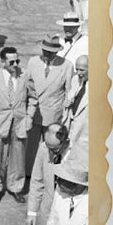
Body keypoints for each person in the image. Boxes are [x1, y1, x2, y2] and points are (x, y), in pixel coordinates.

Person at [0, 47, 29, 207]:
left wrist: (28, 117)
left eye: (18, 61)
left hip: (19, 122)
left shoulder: (25, 75)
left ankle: (16, 187)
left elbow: (32, 98)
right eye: (11, 62)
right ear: (3, 61)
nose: (16, 64)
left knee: (18, 156)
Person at [26, 35, 74, 173]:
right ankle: (29, 174)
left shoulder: (66, 66)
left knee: (50, 148)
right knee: (31, 147)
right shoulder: (33, 62)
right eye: (44, 51)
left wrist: (65, 116)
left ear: (56, 51)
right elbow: (27, 85)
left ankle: (48, 174)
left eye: (50, 52)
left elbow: (68, 93)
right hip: (34, 112)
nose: (46, 54)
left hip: (53, 115)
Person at [27, 123, 70, 225]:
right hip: (48, 210)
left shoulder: (76, 154)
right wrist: (32, 211)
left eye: (55, 150)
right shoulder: (44, 148)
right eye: (48, 148)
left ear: (66, 142)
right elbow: (37, 180)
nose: (50, 153)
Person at [62, 55, 88, 158]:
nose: (78, 73)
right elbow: (69, 97)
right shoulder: (75, 80)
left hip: (84, 133)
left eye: (82, 70)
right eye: (76, 69)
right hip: (70, 127)